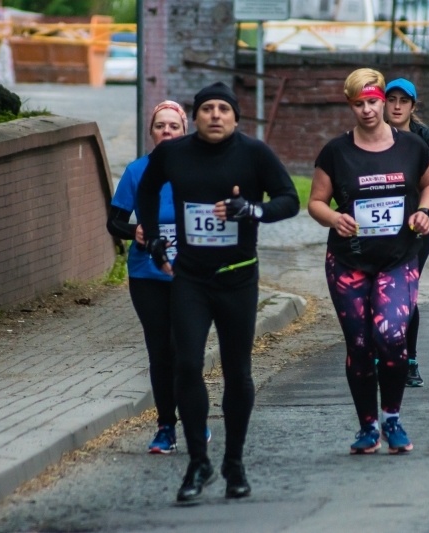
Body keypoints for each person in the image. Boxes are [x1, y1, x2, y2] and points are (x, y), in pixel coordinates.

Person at [136, 82, 299, 503]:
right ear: (196, 116)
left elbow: (289, 199)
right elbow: (147, 190)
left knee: (237, 371)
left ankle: (234, 463)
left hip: (238, 279)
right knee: (187, 364)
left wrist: (253, 210)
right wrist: (153, 239)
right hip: (191, 278)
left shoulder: (254, 154)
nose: (214, 115)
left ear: (235, 118)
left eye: (223, 109)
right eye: (207, 108)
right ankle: (198, 461)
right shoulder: (174, 153)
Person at [308, 68, 429, 455]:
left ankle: (392, 418)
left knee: (391, 336)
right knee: (360, 344)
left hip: (398, 258)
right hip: (348, 262)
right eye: (358, 104)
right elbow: (315, 202)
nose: (367, 110)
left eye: (372, 102)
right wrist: (334, 218)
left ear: (383, 100)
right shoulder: (336, 152)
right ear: (350, 106)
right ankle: (368, 426)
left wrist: (425, 212)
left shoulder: (412, 146)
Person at [106, 100, 188, 454]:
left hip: (190, 274)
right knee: (160, 351)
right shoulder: (137, 170)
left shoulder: (199, 168)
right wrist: (135, 229)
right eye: (160, 126)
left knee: (185, 351)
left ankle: (194, 416)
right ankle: (166, 426)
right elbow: (114, 221)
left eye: (173, 126)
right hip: (147, 273)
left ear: (185, 131)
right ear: (151, 132)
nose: (166, 131)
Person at [384, 77, 429, 388]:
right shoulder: (371, 135)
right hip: (378, 229)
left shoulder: (424, 137)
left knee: (405, 293)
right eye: (391, 100)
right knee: (376, 292)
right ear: (383, 103)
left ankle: (409, 361)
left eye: (404, 101)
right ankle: (381, 358)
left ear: (413, 106)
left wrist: (413, 180)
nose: (397, 106)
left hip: (416, 227)